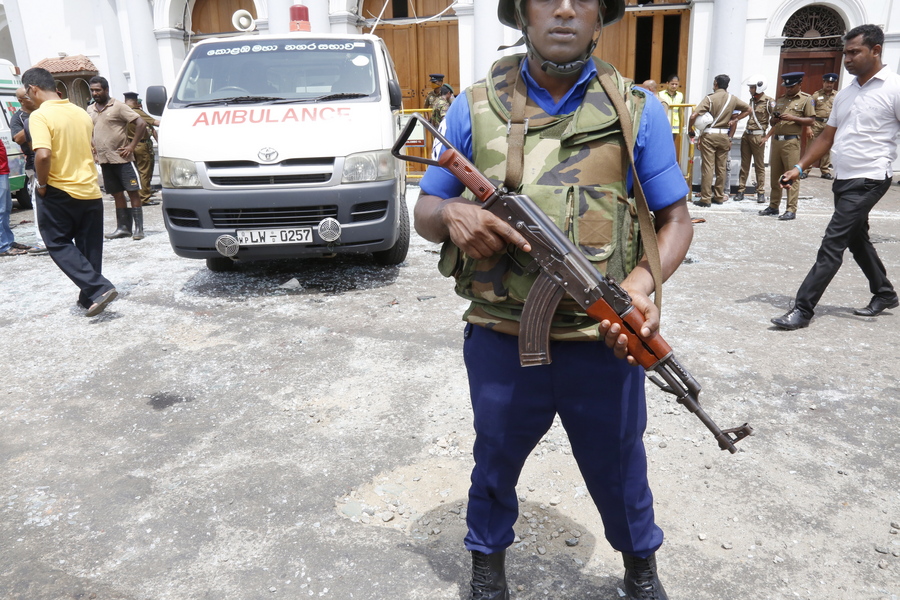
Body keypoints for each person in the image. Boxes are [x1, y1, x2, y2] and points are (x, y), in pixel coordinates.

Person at [415, 1, 693, 598]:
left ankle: (640, 565)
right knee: (494, 460)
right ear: (521, 14)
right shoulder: (473, 106)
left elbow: (676, 221)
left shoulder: (635, 110)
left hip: (603, 340)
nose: (564, 10)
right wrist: (452, 212)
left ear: (601, 18)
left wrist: (639, 289)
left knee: (620, 464)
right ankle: (486, 564)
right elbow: (424, 211)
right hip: (500, 338)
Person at [771, 25, 900, 330]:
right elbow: (826, 138)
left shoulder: (893, 88)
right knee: (857, 239)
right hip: (843, 178)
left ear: (876, 50)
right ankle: (884, 292)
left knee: (833, 242)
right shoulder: (845, 95)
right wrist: (800, 167)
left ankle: (803, 308)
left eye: (855, 52)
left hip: (870, 177)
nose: (848, 59)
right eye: (845, 52)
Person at [23, 67, 118, 316]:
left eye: (27, 95)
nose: (29, 100)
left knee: (57, 242)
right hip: (89, 188)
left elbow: (43, 155)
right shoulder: (80, 112)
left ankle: (99, 287)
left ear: (33, 89)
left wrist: (41, 186)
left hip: (58, 189)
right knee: (89, 247)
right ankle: (90, 298)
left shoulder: (40, 116)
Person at [86, 76, 147, 240]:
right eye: (92, 90)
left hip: (123, 159)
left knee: (133, 192)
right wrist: (94, 150)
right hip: (105, 160)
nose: (95, 93)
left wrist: (132, 146)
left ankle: (138, 229)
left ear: (106, 90)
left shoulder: (118, 106)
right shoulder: (90, 109)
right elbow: (91, 131)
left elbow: (141, 123)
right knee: (116, 194)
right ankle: (123, 228)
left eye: (98, 90)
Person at [758, 72, 814, 220]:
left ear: (799, 84)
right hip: (777, 141)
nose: (788, 89)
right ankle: (773, 206)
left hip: (791, 142)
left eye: (791, 86)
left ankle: (791, 209)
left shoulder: (806, 99)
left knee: (792, 177)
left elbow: (811, 121)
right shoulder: (781, 100)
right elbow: (771, 122)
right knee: (775, 176)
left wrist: (794, 118)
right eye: (786, 86)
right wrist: (774, 120)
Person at [688, 74, 750, 206]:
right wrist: (735, 120)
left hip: (710, 135)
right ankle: (719, 196)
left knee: (708, 167)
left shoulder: (710, 98)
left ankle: (705, 198)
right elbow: (748, 109)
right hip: (724, 136)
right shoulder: (732, 99)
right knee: (721, 168)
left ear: (715, 83)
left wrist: (690, 128)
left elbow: (694, 115)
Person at [10, 86, 47, 253]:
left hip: (53, 160)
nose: (32, 98)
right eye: (27, 96)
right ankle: (42, 242)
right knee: (38, 203)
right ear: (21, 101)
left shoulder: (44, 110)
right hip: (33, 164)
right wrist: (32, 121)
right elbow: (17, 138)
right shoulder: (18, 117)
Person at [734, 77, 773, 203]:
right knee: (744, 165)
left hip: (758, 136)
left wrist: (767, 137)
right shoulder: (751, 101)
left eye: (752, 87)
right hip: (747, 135)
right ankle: (741, 190)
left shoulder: (769, 102)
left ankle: (761, 192)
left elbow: (777, 121)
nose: (750, 90)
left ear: (759, 87)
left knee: (759, 165)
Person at [123, 92, 160, 206]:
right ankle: (144, 198)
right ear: (135, 101)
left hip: (129, 145)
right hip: (141, 145)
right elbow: (155, 122)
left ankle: (140, 194)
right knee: (145, 172)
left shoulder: (122, 111)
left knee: (137, 172)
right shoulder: (137, 112)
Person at [807, 72, 838, 180]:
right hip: (816, 123)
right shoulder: (815, 95)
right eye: (827, 82)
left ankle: (825, 171)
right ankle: (806, 169)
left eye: (831, 82)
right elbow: (809, 112)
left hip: (830, 124)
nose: (829, 84)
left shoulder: (837, 96)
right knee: (811, 146)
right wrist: (808, 127)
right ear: (823, 82)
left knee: (827, 148)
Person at [657, 75, 683, 140]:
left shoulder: (680, 95)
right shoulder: (660, 94)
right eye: (672, 84)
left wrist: (682, 125)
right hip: (664, 124)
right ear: (667, 83)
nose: (674, 86)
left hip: (675, 127)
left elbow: (681, 111)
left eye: (676, 84)